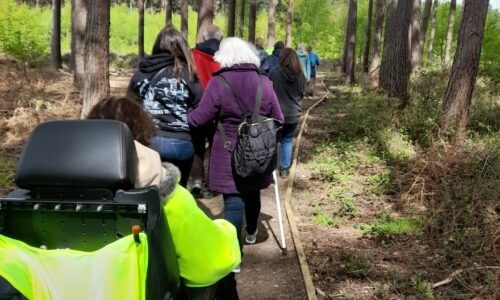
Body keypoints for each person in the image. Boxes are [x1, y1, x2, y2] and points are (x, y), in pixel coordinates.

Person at [86, 96, 241, 296]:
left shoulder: (46, 198)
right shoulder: (169, 197)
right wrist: (226, 230)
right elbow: (210, 265)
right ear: (143, 135)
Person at [187, 38, 284, 270]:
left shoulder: (218, 83)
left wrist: (186, 113)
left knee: (232, 203)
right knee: (252, 193)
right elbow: (279, 119)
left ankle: (235, 257)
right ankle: (251, 231)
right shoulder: (264, 82)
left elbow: (199, 118)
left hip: (228, 152)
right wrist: (264, 139)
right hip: (259, 150)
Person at [127, 26, 202, 187]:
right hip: (182, 143)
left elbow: (129, 107)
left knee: (150, 191)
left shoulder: (141, 72)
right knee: (177, 191)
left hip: (149, 141)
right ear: (182, 47)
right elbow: (199, 107)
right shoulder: (188, 74)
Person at [190, 24, 223, 198]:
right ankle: (212, 184)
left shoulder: (192, 54)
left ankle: (196, 180)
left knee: (197, 145)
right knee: (216, 147)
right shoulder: (224, 57)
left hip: (196, 106)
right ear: (221, 38)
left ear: (203, 38)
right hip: (218, 109)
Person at [269, 48, 306, 178]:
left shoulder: (274, 73)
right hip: (293, 114)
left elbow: (268, 92)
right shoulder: (300, 75)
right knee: (287, 140)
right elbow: (302, 94)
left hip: (276, 114)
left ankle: (270, 170)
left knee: (272, 141)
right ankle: (284, 169)